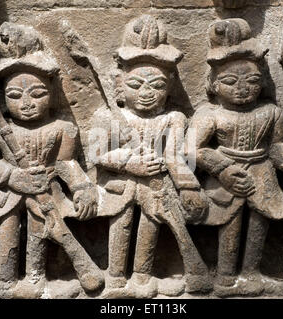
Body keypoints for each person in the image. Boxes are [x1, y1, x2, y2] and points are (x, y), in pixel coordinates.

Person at [0, 22, 103, 298]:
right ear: (3, 99)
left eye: (37, 93)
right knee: (7, 231)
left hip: (45, 190)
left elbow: (67, 163)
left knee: (41, 230)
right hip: (8, 194)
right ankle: (4, 279)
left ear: (51, 94)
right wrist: (12, 176)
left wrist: (81, 187)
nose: (26, 103)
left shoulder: (62, 129)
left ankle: (35, 277)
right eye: (15, 95)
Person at [187, 19, 283, 287]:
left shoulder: (270, 112)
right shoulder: (209, 115)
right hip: (228, 175)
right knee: (231, 224)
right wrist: (222, 170)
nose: (242, 88)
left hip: (263, 173)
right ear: (213, 84)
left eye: (252, 80)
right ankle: (226, 277)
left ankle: (251, 271)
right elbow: (191, 150)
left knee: (261, 222)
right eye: (230, 81)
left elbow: (277, 146)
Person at [90, 15, 211, 297]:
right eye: (136, 86)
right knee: (121, 222)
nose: (146, 94)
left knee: (152, 222)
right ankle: (116, 276)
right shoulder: (107, 116)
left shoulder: (174, 118)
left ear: (169, 88)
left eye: (156, 86)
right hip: (120, 186)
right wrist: (132, 164)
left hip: (157, 187)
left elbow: (175, 157)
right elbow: (97, 153)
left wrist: (187, 186)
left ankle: (143, 275)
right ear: (119, 85)